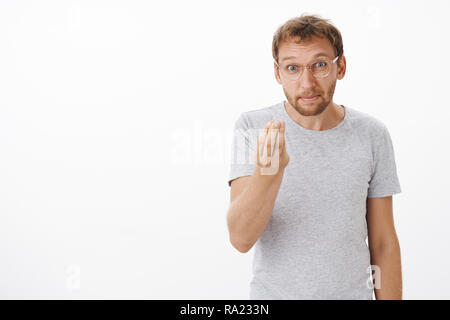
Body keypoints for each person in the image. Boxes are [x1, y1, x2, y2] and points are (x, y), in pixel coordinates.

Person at [226, 14, 402, 300]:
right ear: (277, 73)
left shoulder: (372, 134)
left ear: (340, 66)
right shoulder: (252, 127)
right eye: (292, 68)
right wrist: (269, 173)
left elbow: (383, 243)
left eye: (319, 65)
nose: (306, 83)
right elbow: (241, 239)